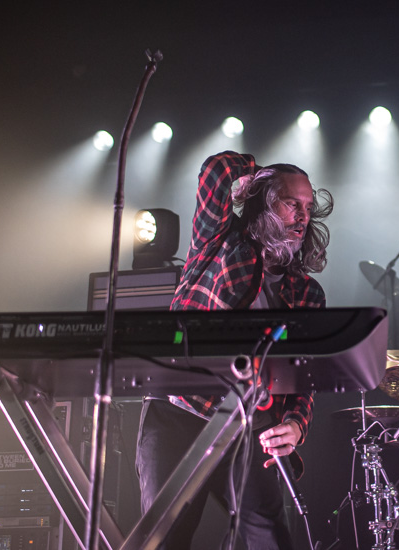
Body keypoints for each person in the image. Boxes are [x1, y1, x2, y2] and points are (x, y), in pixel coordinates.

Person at [136, 151, 333, 550]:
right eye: (291, 202)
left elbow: (303, 377)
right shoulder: (219, 241)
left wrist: (296, 424)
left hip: (249, 427)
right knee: (164, 540)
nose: (302, 215)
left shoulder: (308, 293)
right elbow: (215, 170)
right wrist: (256, 172)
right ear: (263, 199)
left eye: (308, 207)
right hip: (180, 410)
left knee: (270, 541)